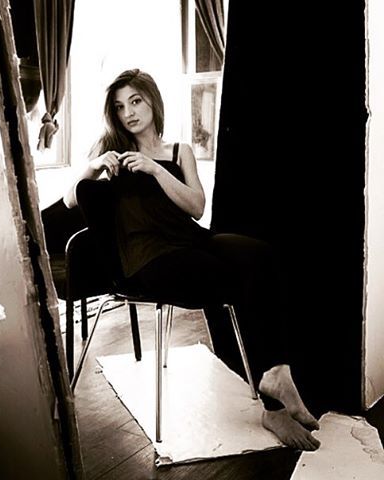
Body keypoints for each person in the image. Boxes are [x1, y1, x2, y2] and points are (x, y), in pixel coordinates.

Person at [65, 68, 321, 451]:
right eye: (119, 107)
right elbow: (72, 199)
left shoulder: (179, 151)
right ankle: (273, 405)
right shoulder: (112, 151)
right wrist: (96, 165)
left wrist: (154, 168)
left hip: (191, 239)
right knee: (234, 279)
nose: (128, 112)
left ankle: (278, 372)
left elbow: (197, 207)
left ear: (152, 102)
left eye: (135, 101)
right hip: (148, 256)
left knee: (262, 256)